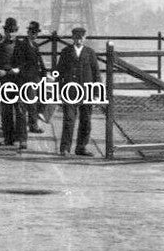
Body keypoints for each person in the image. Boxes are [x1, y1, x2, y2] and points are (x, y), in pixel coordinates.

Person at [54, 25, 100, 157]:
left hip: (86, 91)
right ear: (72, 38)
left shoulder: (90, 52)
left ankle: (81, 147)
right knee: (69, 119)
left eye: (81, 38)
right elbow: (59, 72)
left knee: (86, 120)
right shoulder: (66, 52)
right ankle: (65, 148)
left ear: (84, 38)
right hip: (69, 91)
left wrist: (96, 94)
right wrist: (57, 91)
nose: (78, 40)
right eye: (76, 38)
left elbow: (96, 74)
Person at [0, 17, 27, 149]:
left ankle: (22, 139)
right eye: (8, 31)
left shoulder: (23, 46)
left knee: (20, 110)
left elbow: (28, 64)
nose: (10, 34)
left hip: (19, 82)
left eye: (13, 31)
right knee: (6, 111)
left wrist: (18, 69)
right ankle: (8, 138)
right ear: (5, 31)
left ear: (16, 31)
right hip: (5, 82)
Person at [14, 20, 47, 134]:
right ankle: (32, 125)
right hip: (27, 78)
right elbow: (20, 62)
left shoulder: (35, 45)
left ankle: (34, 120)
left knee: (43, 97)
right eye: (32, 32)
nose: (34, 34)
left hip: (35, 77)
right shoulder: (22, 45)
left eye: (36, 33)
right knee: (31, 101)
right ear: (28, 32)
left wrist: (44, 73)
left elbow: (39, 61)